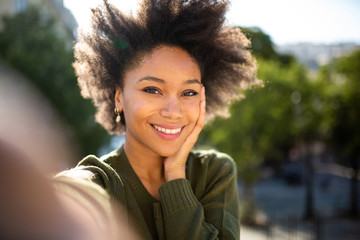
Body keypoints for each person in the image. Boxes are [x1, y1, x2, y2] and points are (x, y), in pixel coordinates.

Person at [57, 0, 258, 239]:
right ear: (119, 97)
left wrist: (175, 174)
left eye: (189, 93)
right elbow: (70, 194)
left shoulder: (213, 172)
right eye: (152, 90)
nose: (173, 111)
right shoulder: (98, 182)